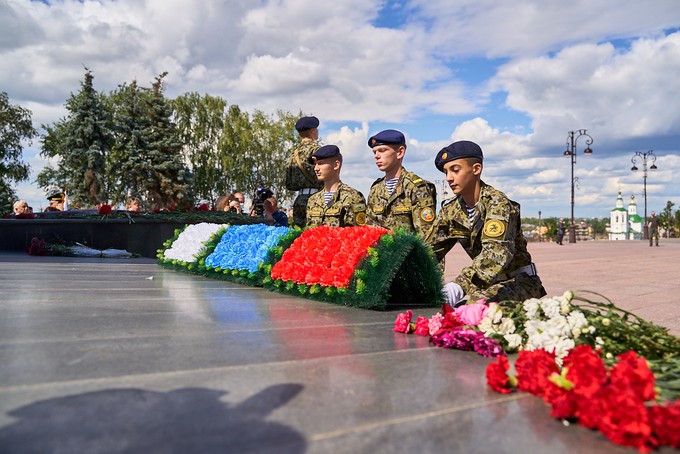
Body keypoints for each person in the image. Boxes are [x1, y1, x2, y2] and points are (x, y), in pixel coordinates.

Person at [424, 140, 546, 306]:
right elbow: (429, 251)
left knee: (470, 310)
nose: (449, 178)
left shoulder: (498, 204)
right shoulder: (451, 210)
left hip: (519, 281)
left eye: (455, 170)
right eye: (446, 172)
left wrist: (458, 286)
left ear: (476, 169)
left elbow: (495, 255)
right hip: (486, 285)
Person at [365, 129, 436, 237]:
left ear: (400, 152)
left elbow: (426, 237)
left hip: (409, 253)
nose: (377, 156)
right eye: (374, 152)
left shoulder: (415, 187)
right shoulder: (376, 189)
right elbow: (369, 230)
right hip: (380, 253)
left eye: (382, 150)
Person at [305, 145, 367, 228]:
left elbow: (357, 233)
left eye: (321, 163)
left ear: (336, 165)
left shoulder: (353, 197)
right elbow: (309, 233)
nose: (316, 168)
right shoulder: (313, 200)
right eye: (315, 164)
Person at [285, 116, 323, 227]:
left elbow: (289, 184)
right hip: (316, 200)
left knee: (299, 236)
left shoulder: (293, 154)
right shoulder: (317, 150)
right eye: (316, 129)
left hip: (299, 200)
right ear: (312, 130)